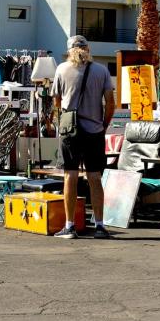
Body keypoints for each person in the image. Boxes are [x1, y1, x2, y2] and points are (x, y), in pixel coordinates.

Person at [51, 35, 115, 240]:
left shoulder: (61, 69)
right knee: (95, 177)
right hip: (94, 130)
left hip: (70, 130)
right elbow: (110, 103)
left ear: (69, 51)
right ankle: (100, 226)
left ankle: (70, 226)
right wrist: (103, 124)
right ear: (88, 49)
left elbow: (57, 101)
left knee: (70, 175)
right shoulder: (102, 70)